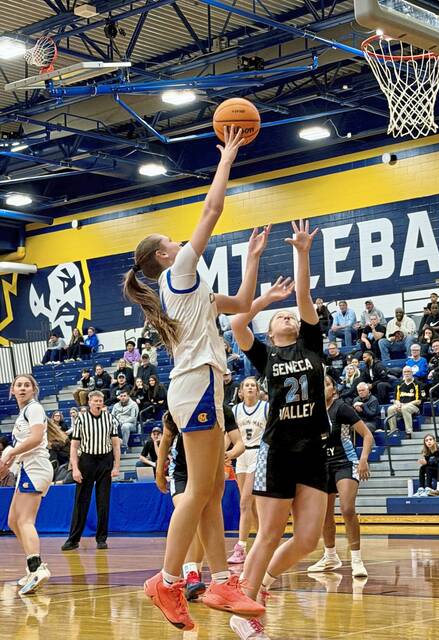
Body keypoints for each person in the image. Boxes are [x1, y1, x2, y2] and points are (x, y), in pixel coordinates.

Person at [122, 127, 266, 630]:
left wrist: (251, 262)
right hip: (197, 384)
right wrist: (226, 157)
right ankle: (166, 580)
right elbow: (211, 212)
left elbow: (243, 306)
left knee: (206, 489)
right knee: (202, 488)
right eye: (172, 242)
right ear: (164, 256)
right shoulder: (177, 273)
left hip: (200, 384)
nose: (181, 242)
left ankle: (220, 581)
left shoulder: (193, 289)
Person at [230, 219, 330, 640]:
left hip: (314, 448)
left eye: (288, 313)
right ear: (272, 331)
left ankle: (263, 585)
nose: (287, 314)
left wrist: (302, 252)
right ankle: (243, 608)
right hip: (278, 448)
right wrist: (263, 298)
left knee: (307, 540)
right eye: (280, 315)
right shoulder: (266, 355)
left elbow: (304, 295)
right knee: (269, 532)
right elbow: (237, 325)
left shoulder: (310, 344)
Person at [155, 408, 244, 602]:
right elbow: (166, 441)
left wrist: (228, 454)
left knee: (203, 518)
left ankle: (194, 574)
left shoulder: (223, 410)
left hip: (207, 474)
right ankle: (190, 574)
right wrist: (159, 472)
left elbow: (239, 444)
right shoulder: (181, 406)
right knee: (191, 516)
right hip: (181, 474)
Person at [308, 375, 373, 577]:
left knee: (347, 508)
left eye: (327, 385)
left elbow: (368, 435)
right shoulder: (312, 412)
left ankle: (357, 559)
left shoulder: (342, 408)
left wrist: (363, 460)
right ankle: (330, 556)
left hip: (345, 462)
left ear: (333, 389)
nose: (323, 389)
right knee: (324, 515)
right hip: (321, 465)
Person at [0, 374, 54, 595]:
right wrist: (8, 461)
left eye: (26, 385)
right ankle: (33, 568)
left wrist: (10, 452)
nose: (22, 388)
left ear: (33, 389)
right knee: (13, 520)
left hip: (36, 467)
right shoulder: (23, 413)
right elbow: (23, 446)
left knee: (24, 520)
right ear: (12, 390)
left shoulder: (34, 408)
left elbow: (36, 438)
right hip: (27, 468)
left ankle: (37, 568)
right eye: (18, 385)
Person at [62, 390, 120, 551]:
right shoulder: (81, 419)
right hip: (86, 461)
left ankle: (101, 539)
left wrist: (116, 466)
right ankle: (73, 540)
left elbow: (116, 445)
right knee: (81, 501)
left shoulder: (110, 418)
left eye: (100, 400)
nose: (98, 403)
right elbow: (74, 446)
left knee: (103, 502)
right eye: (95, 400)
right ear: (89, 402)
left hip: (105, 461)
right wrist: (75, 468)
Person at [228, 377, 268, 564]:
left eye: (253, 385)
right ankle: (265, 542)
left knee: (244, 502)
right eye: (247, 385)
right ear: (240, 392)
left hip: (259, 454)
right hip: (241, 456)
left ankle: (241, 547)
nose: (250, 387)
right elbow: (230, 437)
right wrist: (223, 454)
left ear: (258, 390)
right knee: (250, 506)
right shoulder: (235, 410)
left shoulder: (266, 408)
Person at [386, 366, 425, 439]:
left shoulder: (418, 384)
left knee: (405, 408)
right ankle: (393, 431)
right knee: (390, 409)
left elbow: (419, 401)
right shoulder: (399, 384)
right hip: (402, 407)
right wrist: (398, 404)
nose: (406, 374)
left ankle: (409, 432)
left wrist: (405, 405)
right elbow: (396, 399)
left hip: (414, 408)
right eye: (405, 372)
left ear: (412, 373)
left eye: (408, 372)